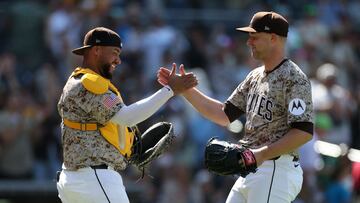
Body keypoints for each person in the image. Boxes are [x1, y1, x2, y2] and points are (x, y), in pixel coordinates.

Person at [158, 11, 314, 203]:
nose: (249, 42)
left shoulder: (294, 78)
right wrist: (185, 91)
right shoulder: (255, 76)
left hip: (276, 168)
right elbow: (224, 114)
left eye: (254, 37)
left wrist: (261, 154)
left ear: (273, 38)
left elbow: (304, 131)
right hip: (251, 169)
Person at [56, 27, 197, 203]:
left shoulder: (79, 81)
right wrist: (169, 90)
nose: (118, 60)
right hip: (93, 178)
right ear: (97, 50)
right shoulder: (88, 83)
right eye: (114, 52)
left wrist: (128, 149)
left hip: (79, 179)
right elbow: (127, 117)